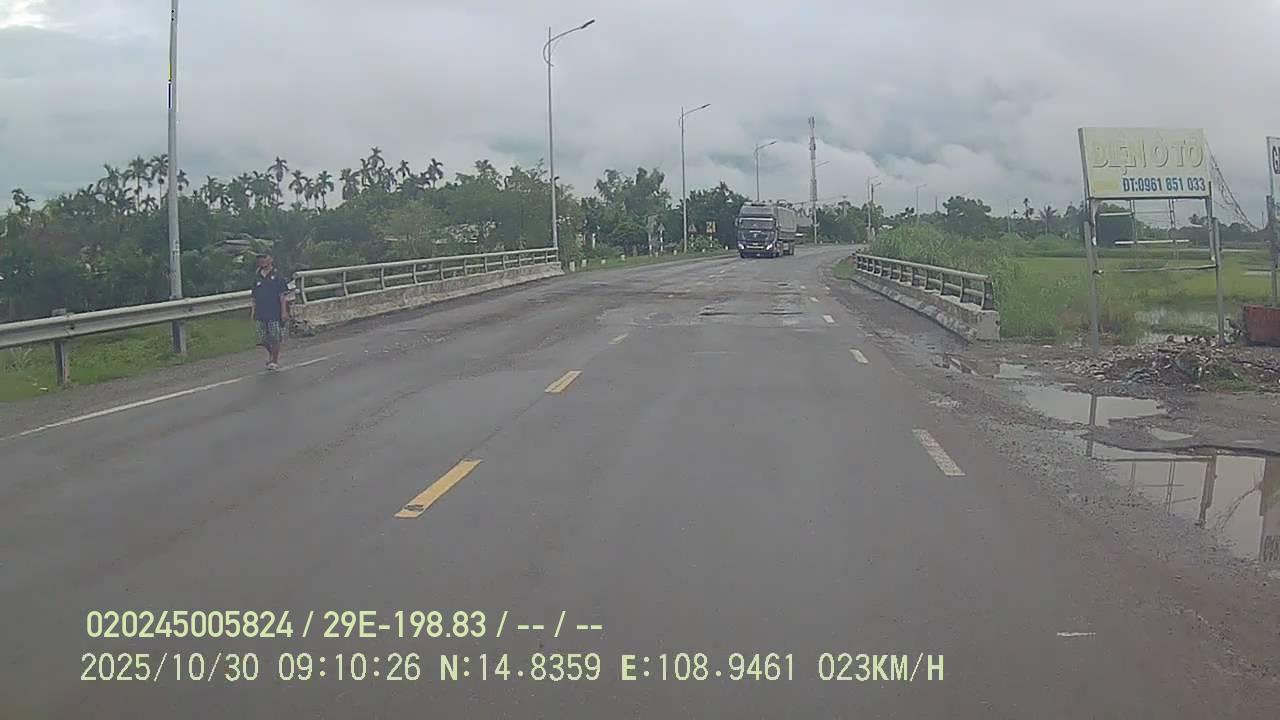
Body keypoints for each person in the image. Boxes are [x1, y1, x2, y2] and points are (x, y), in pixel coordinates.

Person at [250, 251, 289, 371]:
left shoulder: (277, 276)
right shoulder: (257, 276)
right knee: (262, 338)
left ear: (271, 259)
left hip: (274, 311)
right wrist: (253, 311)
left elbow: (282, 296)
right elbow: (254, 297)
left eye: (264, 257)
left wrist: (284, 312)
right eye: (260, 258)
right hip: (260, 312)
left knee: (274, 336)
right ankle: (271, 353)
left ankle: (274, 360)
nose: (262, 260)